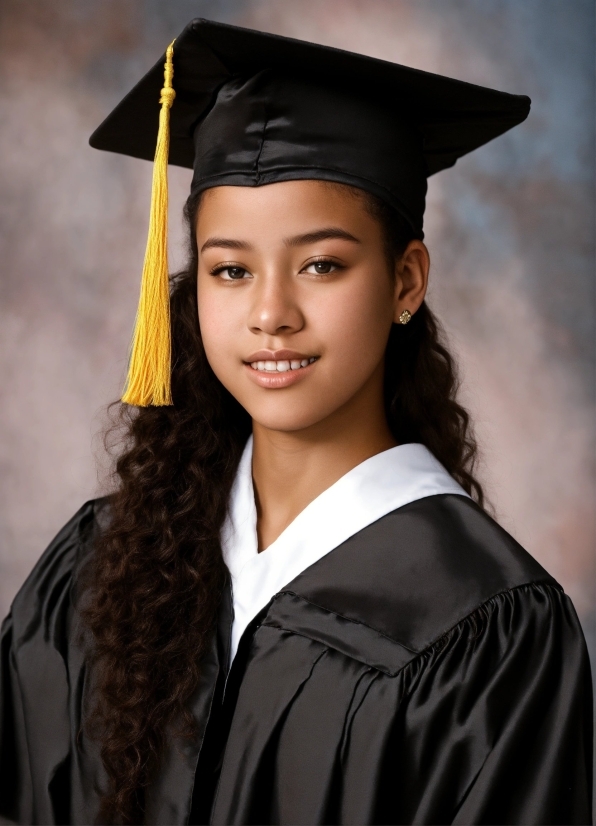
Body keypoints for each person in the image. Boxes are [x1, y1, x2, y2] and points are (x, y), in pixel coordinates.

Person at [0, 18, 592, 826]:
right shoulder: (107, 561)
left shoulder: (486, 624)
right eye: (231, 269)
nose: (271, 314)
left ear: (406, 281)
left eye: (322, 264)